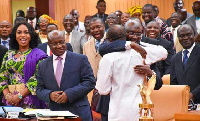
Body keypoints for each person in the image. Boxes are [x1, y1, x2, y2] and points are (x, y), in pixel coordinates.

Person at [96, 24, 167, 121]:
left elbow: (103, 90)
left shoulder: (108, 58)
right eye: (131, 33)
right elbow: (163, 52)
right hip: (139, 110)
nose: (134, 37)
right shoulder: (144, 54)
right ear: (126, 35)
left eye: (138, 34)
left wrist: (150, 73)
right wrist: (129, 45)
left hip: (119, 110)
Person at [36, 30, 95, 121]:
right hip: (55, 114)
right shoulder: (43, 65)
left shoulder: (80, 59)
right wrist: (50, 95)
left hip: (79, 113)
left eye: (61, 42)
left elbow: (90, 82)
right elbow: (39, 89)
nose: (59, 46)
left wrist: (69, 94)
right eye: (55, 44)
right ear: (49, 45)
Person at [0, 22, 48, 108]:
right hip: (10, 102)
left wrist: (19, 96)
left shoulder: (38, 55)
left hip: (30, 101)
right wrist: (7, 96)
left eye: (26, 32)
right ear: (15, 35)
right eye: (19, 32)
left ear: (31, 36)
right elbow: (2, 77)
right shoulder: (8, 54)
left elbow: (38, 78)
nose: (22, 35)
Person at [170, 24, 200, 103]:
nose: (185, 38)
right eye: (182, 36)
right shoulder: (175, 58)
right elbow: (173, 82)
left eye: (188, 35)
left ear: (194, 35)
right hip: (181, 103)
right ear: (178, 38)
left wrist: (193, 95)